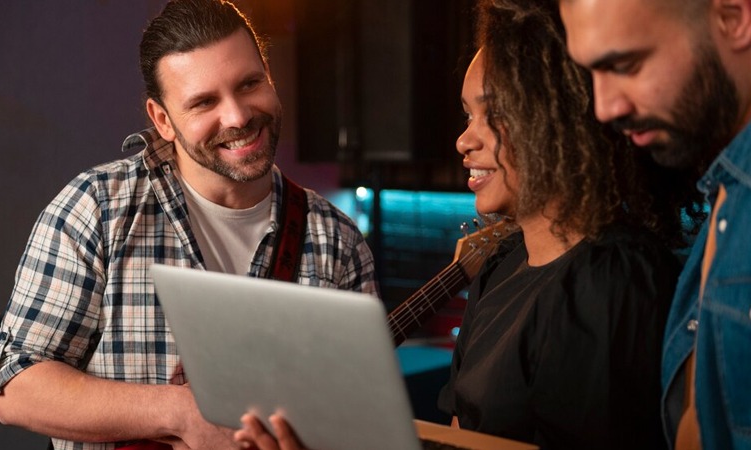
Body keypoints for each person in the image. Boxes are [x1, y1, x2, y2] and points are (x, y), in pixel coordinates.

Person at [233, 0, 702, 449]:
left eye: (493, 114)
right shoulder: (501, 262)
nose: (463, 140)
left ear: (559, 119)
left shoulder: (613, 279)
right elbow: (460, 432)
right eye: (466, 114)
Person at [0, 1, 378, 449]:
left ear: (269, 76)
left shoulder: (338, 239)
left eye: (249, 84)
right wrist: (181, 413)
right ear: (162, 120)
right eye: (204, 102)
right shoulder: (97, 208)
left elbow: (357, 418)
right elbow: (13, 385)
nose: (238, 116)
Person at [559, 0, 751, 448]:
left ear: (734, 19)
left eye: (625, 65)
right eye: (591, 72)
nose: (604, 108)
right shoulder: (726, 186)